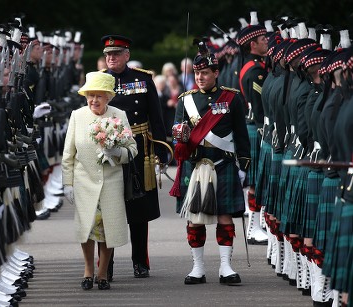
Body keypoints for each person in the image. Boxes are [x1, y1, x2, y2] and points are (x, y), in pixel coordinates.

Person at [171, 43, 251, 285]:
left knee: (225, 216)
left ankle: (226, 267)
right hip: (195, 165)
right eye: (197, 73)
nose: (200, 77)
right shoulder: (185, 101)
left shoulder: (232, 99)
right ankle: (198, 268)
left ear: (215, 73)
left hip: (223, 163)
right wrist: (180, 134)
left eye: (205, 73)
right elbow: (176, 135)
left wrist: (244, 167)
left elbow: (241, 135)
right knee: (195, 218)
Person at [100, 34, 168, 279]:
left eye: (116, 54)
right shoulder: (99, 80)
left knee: (139, 209)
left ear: (126, 56)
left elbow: (156, 117)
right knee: (108, 210)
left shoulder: (142, 79)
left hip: (139, 149)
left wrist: (162, 150)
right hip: (107, 150)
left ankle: (140, 261)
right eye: (108, 54)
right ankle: (105, 266)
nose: (111, 58)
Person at [62, 71, 137, 290]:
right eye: (90, 95)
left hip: (111, 183)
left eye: (99, 95)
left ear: (108, 97)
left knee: (107, 230)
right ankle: (88, 271)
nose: (94, 100)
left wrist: (116, 152)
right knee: (87, 229)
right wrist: (67, 184)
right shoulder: (77, 115)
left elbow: (132, 149)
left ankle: (102, 274)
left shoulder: (119, 115)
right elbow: (68, 154)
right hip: (84, 182)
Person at [236, 23, 269, 244]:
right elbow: (259, 107)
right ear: (252, 44)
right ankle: (254, 227)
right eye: (263, 39)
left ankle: (255, 225)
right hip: (256, 127)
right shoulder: (255, 70)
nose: (267, 41)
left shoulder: (253, 65)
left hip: (252, 127)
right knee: (256, 179)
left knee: (256, 179)